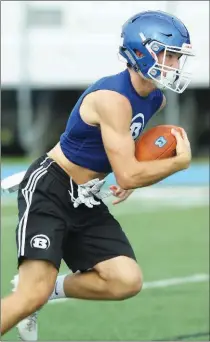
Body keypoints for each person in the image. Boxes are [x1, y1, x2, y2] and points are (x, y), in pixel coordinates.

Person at [1, 10, 193, 340]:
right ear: (140, 51)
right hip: (51, 187)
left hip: (85, 196)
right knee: (30, 294)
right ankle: (33, 293)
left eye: (177, 57)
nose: (174, 65)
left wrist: (126, 176)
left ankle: (46, 290)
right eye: (168, 54)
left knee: (125, 279)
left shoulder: (155, 99)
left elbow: (122, 156)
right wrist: (177, 163)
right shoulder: (112, 99)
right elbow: (130, 174)